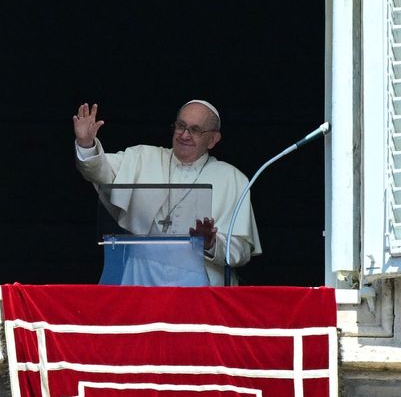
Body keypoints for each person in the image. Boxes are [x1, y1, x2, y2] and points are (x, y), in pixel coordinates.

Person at [73, 100, 261, 286]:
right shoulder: (142, 157)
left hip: (199, 288)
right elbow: (99, 171)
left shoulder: (233, 179)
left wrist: (210, 244)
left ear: (212, 139)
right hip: (141, 279)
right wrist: (86, 143)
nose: (184, 135)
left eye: (195, 130)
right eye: (181, 126)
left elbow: (241, 251)